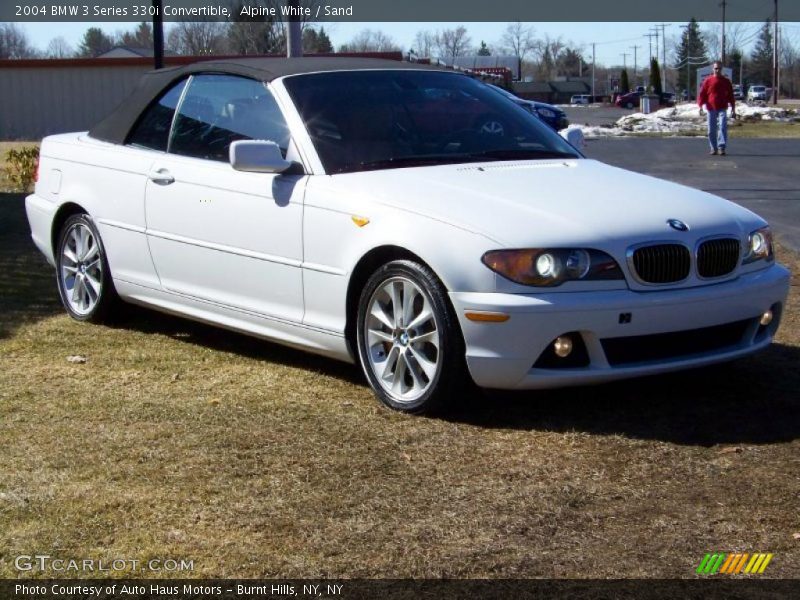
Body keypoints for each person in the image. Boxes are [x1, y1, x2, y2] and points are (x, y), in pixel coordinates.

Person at [698, 61, 737, 155]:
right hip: (711, 107)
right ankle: (713, 148)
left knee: (723, 126)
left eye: (719, 68)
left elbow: (731, 95)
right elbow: (702, 94)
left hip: (722, 107)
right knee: (711, 130)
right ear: (713, 69)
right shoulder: (708, 80)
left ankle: (721, 147)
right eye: (716, 68)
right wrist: (700, 106)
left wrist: (733, 108)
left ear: (721, 69)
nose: (717, 70)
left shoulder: (726, 81)